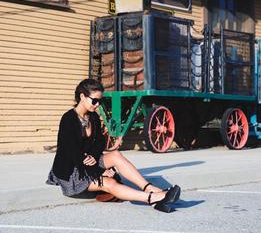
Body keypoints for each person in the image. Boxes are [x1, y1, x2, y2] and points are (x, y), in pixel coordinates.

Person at [47, 78, 181, 212]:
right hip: (72, 173)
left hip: (88, 163)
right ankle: (152, 199)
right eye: (94, 100)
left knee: (115, 155)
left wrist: (95, 158)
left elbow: (99, 143)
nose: (97, 105)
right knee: (109, 182)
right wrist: (100, 170)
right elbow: (71, 152)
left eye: (100, 101)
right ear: (82, 96)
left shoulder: (92, 117)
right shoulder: (68, 119)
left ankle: (150, 188)